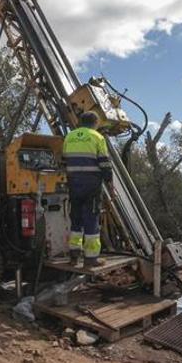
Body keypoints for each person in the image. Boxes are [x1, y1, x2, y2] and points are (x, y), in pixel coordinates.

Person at [62, 111, 112, 267]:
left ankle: (74, 257)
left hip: (74, 185)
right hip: (91, 185)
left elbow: (64, 160)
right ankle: (91, 259)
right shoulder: (97, 137)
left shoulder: (69, 137)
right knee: (91, 220)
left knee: (76, 220)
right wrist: (109, 182)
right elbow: (104, 163)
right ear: (96, 123)